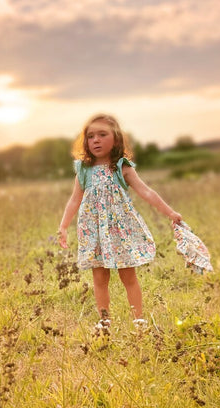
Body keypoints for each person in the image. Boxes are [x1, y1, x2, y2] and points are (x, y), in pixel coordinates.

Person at [58, 113, 182, 331]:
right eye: (90, 136)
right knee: (99, 278)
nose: (95, 140)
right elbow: (74, 199)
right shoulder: (83, 170)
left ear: (115, 139)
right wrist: (64, 225)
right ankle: (105, 321)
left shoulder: (122, 167)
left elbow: (146, 192)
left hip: (119, 232)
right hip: (94, 231)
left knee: (128, 276)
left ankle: (139, 319)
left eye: (102, 134)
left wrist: (170, 213)